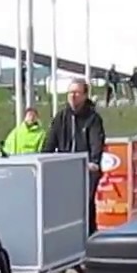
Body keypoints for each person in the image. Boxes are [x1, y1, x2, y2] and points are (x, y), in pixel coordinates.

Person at [44, 78, 107, 235]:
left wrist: (94, 161)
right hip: (65, 170)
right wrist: (44, 160)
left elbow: (96, 143)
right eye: (70, 92)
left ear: (85, 95)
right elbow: (49, 143)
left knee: (85, 206)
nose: (73, 96)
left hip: (86, 170)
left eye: (77, 93)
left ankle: (89, 237)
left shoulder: (93, 119)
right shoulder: (61, 117)